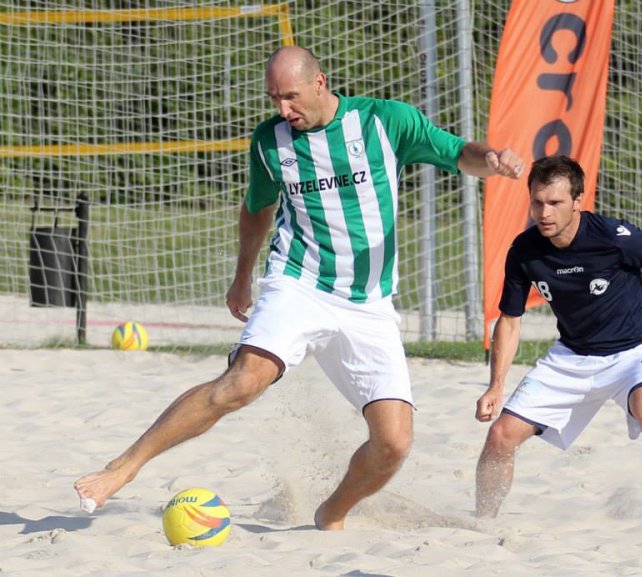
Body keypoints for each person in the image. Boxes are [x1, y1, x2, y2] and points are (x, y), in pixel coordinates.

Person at [74, 45, 524, 530]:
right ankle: (123, 467)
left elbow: (460, 153)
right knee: (243, 382)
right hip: (299, 283)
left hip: (369, 304)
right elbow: (257, 208)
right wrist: (242, 276)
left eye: (290, 97)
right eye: (274, 99)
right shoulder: (271, 141)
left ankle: (331, 513)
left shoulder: (384, 121)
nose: (283, 110)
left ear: (320, 83)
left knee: (393, 443)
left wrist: (494, 159)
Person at [474, 155, 642, 527]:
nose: (544, 212)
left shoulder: (612, 237)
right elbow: (511, 320)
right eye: (537, 202)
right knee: (500, 436)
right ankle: (482, 524)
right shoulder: (524, 250)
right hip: (572, 357)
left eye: (555, 203)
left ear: (578, 201)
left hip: (633, 351)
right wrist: (496, 385)